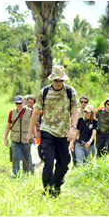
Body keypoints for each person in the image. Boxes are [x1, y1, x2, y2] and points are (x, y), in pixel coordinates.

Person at [27, 65, 79, 197]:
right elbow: (36, 113)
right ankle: (47, 190)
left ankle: (56, 185)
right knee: (48, 161)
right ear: (52, 80)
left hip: (63, 134)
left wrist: (73, 128)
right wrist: (30, 132)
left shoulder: (70, 91)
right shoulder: (44, 92)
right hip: (47, 131)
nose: (58, 83)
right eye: (56, 80)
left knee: (64, 162)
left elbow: (75, 112)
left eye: (61, 80)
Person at [4, 95, 35, 178]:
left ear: (23, 102)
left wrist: (34, 136)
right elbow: (8, 125)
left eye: (20, 103)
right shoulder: (12, 112)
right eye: (16, 103)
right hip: (15, 139)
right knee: (15, 158)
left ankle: (26, 175)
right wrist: (5, 138)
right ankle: (15, 175)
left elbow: (33, 125)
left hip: (26, 139)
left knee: (26, 159)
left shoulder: (29, 111)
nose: (18, 105)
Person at [71, 95, 89, 168]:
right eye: (81, 101)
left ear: (87, 103)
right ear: (79, 102)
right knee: (74, 153)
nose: (83, 103)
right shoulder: (76, 112)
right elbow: (71, 123)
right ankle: (75, 166)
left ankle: (84, 169)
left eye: (85, 102)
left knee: (85, 155)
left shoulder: (89, 112)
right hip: (76, 136)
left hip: (86, 137)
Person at [26, 95, 42, 174]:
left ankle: (32, 169)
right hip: (25, 133)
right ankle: (26, 168)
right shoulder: (23, 110)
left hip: (35, 132)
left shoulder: (37, 111)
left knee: (33, 150)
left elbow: (39, 122)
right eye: (29, 102)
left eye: (32, 103)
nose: (30, 104)